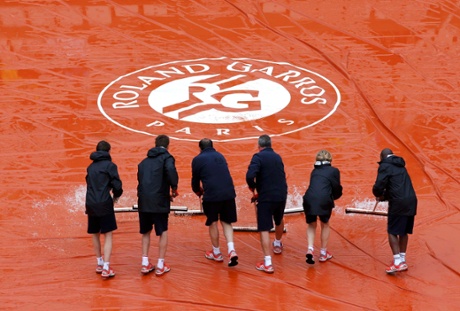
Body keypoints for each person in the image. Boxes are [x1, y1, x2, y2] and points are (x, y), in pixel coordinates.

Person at [191, 138, 239, 267]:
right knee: (226, 221)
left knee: (212, 222)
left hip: (212, 194)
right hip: (228, 193)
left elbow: (195, 180)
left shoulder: (197, 159)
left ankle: (216, 252)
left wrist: (198, 191)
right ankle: (231, 249)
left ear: (200, 148)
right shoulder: (220, 156)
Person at [137, 135, 179, 276]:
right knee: (163, 231)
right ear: (168, 146)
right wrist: (174, 188)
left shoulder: (143, 162)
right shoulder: (167, 158)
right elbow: (171, 171)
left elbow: (140, 180)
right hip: (159, 200)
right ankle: (161, 264)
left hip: (143, 201)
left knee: (146, 232)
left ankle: (144, 263)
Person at [246, 134, 288, 274]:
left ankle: (268, 262)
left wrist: (254, 187)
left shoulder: (258, 157)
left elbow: (250, 175)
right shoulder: (278, 157)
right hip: (281, 194)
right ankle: (277, 243)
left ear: (259, 146)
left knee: (264, 227)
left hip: (266, 196)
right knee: (279, 218)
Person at [372, 148, 417, 274]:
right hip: (411, 201)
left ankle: (397, 262)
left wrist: (378, 194)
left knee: (392, 231)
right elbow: (397, 186)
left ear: (382, 157)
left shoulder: (385, 166)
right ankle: (402, 259)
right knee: (403, 231)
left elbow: (379, 185)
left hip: (398, 203)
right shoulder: (401, 166)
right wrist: (385, 196)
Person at [85, 140, 123, 279]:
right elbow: (117, 185)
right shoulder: (110, 166)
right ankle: (106, 266)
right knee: (108, 234)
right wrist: (116, 197)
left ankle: (99, 262)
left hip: (90, 203)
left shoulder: (90, 167)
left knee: (95, 233)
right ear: (108, 151)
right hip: (104, 203)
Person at [302, 150, 342, 265]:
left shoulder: (314, 171)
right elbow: (336, 188)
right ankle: (323, 253)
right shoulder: (334, 171)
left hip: (309, 198)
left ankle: (310, 248)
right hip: (324, 199)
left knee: (311, 224)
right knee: (325, 224)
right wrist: (333, 198)